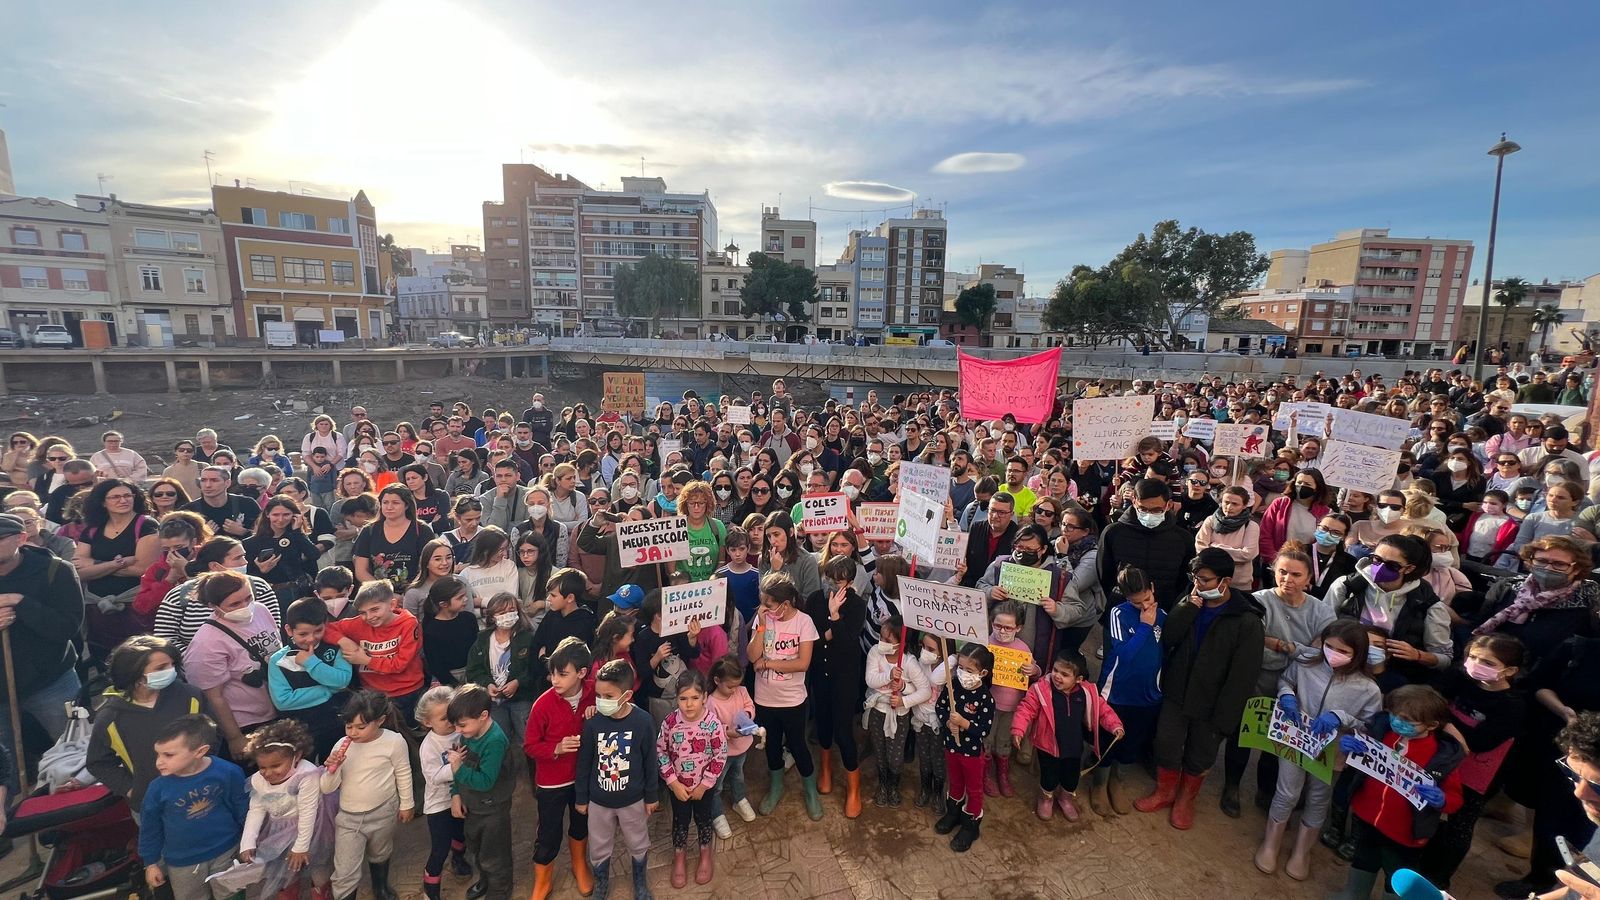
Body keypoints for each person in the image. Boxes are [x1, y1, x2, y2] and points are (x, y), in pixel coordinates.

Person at [1133, 548, 1265, 831]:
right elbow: (1168, 637)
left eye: (1205, 579)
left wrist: (1226, 718)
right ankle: (1165, 791)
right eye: (1195, 577)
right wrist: (1188, 608)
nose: (1198, 584)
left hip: (1213, 701)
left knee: (1201, 752)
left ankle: (1185, 799)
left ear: (1225, 581)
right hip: (1177, 690)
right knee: (1166, 742)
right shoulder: (1190, 600)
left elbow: (1243, 676)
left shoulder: (1247, 621)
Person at [1254, 620, 1380, 882]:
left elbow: (1370, 725)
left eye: (1343, 651)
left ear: (1358, 653)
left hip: (1331, 752)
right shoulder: (1305, 663)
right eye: (1329, 646)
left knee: (1318, 798)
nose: (1334, 654)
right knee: (1286, 792)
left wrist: (1342, 717)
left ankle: (1302, 851)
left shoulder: (1369, 688)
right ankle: (1271, 843)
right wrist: (1286, 695)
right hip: (1294, 739)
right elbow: (1285, 681)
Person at [1224, 546, 1335, 818]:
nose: (1288, 579)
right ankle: (1231, 787)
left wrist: (1277, 644)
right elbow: (1248, 644)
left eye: (1296, 574)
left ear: (1309, 578)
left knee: (1278, 741)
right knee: (1242, 735)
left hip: (1297, 688)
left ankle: (1265, 790)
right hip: (1254, 678)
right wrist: (1296, 648)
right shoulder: (1257, 600)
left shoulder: (1322, 613)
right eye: (1282, 572)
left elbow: (1320, 654)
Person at [1326, 685, 1463, 900]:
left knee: (1397, 875)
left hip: (1405, 833)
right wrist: (1350, 747)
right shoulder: (1381, 733)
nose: (1397, 721)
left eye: (1407, 719)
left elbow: (1455, 799)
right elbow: (1362, 764)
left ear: (1432, 725)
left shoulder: (1441, 758)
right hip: (1368, 817)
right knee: (1364, 859)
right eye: (1393, 714)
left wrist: (1442, 799)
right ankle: (1353, 894)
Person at [1417, 633, 1527, 890]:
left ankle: (1440, 878)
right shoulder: (1459, 678)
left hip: (1477, 777)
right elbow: (1428, 698)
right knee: (1431, 814)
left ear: (1509, 670)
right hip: (1441, 761)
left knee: (1459, 824)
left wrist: (1442, 720)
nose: (1476, 665)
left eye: (1488, 663)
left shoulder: (1513, 705)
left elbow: (1480, 742)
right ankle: (1422, 861)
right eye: (1473, 657)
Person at [0, 512, 84, 760]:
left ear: (21, 538)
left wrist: (22, 603)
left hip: (50, 681)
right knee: (6, 769)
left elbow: (67, 628)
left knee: (75, 753)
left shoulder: (56, 570)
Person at [86, 635, 208, 806]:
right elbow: (98, 763)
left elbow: (211, 734)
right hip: (154, 804)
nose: (171, 671)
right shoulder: (110, 718)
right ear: (135, 675)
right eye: (161, 668)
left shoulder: (190, 696)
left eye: (172, 664)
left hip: (203, 791)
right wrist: (133, 791)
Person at [138, 715, 249, 900]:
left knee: (233, 895)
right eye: (158, 754)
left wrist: (251, 842)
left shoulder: (228, 772)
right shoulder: (157, 789)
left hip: (227, 850)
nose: (159, 762)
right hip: (183, 863)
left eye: (168, 755)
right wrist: (150, 863)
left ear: (200, 751)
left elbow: (242, 809)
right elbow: (150, 828)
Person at [575, 658, 659, 900]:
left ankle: (640, 883)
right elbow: (584, 762)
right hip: (599, 801)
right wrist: (582, 797)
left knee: (638, 841)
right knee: (599, 846)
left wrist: (651, 796)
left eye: (608, 697)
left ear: (627, 695)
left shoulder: (643, 721)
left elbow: (650, 760)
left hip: (633, 799)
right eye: (598, 696)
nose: (601, 702)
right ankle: (601, 884)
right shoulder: (592, 722)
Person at [1011, 647, 1124, 823]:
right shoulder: (1040, 689)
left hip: (1074, 747)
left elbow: (1103, 710)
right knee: (1049, 776)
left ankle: (1065, 797)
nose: (1057, 676)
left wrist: (1115, 725)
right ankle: (1046, 798)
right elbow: (1026, 708)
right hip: (1047, 746)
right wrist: (1018, 729)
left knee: (1071, 776)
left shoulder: (1087, 693)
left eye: (1065, 674)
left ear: (1078, 679)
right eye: (1055, 670)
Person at [320, 691, 414, 900]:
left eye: (361, 727)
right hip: (349, 817)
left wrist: (407, 804)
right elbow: (327, 788)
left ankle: (380, 888)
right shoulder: (341, 746)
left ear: (380, 721)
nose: (353, 732)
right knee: (345, 870)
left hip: (384, 810)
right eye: (349, 726)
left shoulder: (394, 742)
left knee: (381, 851)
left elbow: (403, 772)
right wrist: (332, 768)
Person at [1326, 533, 1452, 688]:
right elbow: (1323, 630)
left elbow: (1444, 659)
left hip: (1390, 679)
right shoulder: (1346, 587)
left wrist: (1417, 655)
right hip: (1341, 667)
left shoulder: (1429, 606)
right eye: (1376, 560)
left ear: (1409, 569)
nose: (1379, 568)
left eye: (1392, 566)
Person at [523, 636, 597, 899]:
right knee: (548, 832)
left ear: (582, 673)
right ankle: (543, 881)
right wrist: (555, 748)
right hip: (551, 782)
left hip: (583, 779)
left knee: (581, 824)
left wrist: (598, 714)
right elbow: (530, 746)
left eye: (563, 674)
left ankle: (579, 864)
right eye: (553, 673)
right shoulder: (542, 704)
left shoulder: (596, 694)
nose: (555, 680)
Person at [182, 570, 281, 760]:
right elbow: (213, 697)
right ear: (214, 606)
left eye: (248, 598)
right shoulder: (206, 643)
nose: (245, 607)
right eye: (234, 604)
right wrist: (235, 737)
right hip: (246, 722)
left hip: (277, 707)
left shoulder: (260, 610)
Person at [748, 572, 821, 819]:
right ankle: (776, 786)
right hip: (765, 698)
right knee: (771, 746)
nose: (763, 608)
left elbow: (802, 663)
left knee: (798, 745)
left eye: (768, 605)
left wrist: (768, 664)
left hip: (792, 700)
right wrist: (760, 625)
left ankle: (810, 791)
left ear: (785, 604)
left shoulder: (804, 622)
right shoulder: (763, 620)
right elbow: (751, 656)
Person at [237, 719, 334, 900]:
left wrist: (300, 847)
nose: (268, 773)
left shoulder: (306, 775)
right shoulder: (258, 780)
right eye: (262, 767)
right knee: (283, 867)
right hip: (280, 828)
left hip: (313, 828)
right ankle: (288, 891)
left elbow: (308, 812)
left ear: (296, 756)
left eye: (275, 766)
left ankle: (321, 890)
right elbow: (256, 809)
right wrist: (248, 842)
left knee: (318, 865)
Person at [1098, 566, 1164, 815]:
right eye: (1137, 603)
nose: (1145, 606)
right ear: (1127, 599)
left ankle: (1118, 782)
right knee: (1107, 740)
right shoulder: (1118, 614)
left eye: (1147, 599)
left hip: (1147, 696)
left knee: (1132, 742)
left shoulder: (1164, 616)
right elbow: (1123, 655)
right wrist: (1145, 626)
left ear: (1153, 588)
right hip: (1116, 693)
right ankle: (1099, 784)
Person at [656, 669, 727, 888]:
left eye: (695, 698)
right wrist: (673, 783)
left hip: (702, 789)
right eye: (683, 698)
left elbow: (720, 755)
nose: (689, 704)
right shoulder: (669, 723)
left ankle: (705, 853)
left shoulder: (713, 724)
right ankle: (680, 854)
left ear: (705, 697)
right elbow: (661, 752)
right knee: (680, 821)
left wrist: (704, 785)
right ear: (676, 699)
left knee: (704, 819)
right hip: (678, 788)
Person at [446, 685, 516, 900]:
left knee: (494, 854)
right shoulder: (470, 733)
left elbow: (485, 781)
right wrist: (456, 793)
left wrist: (458, 769)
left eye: (462, 725)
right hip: (473, 805)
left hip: (493, 808)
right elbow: (463, 760)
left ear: (483, 716)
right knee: (477, 848)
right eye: (456, 725)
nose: (458, 730)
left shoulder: (495, 741)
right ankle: (486, 880)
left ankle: (500, 890)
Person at [324, 581, 425, 722]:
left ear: (392, 605)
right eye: (363, 613)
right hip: (372, 693)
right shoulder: (358, 623)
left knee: (407, 734)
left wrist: (365, 660)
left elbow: (400, 664)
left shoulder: (408, 624)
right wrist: (344, 641)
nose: (369, 617)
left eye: (375, 609)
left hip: (406, 691)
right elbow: (325, 629)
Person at [267, 597, 353, 760]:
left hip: (336, 723)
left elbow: (343, 680)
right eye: (303, 634)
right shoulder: (278, 660)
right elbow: (283, 701)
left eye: (318, 631)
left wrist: (311, 663)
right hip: (299, 730)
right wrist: (327, 689)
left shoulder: (335, 650)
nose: (311, 638)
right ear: (289, 630)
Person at [1096, 478, 1196, 611]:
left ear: (1169, 505)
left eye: (1156, 510)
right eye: (1143, 509)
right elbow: (1104, 574)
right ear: (1134, 501)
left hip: (1165, 611)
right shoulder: (1113, 533)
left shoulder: (1183, 538)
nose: (1149, 515)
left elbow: (1184, 579)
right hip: (1122, 609)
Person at [933, 643, 995, 853]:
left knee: (974, 789)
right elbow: (940, 706)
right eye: (960, 668)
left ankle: (971, 824)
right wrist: (948, 722)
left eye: (969, 671)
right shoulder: (953, 686)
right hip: (951, 746)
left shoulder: (985, 698)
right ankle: (953, 813)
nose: (962, 674)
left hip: (972, 753)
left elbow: (984, 729)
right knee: (956, 781)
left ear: (983, 673)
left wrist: (964, 723)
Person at [415, 686, 473, 900]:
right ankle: (431, 890)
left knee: (461, 833)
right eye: (443, 718)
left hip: (462, 796)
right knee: (439, 848)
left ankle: (458, 859)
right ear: (427, 722)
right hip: (439, 804)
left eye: (452, 715)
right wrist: (457, 766)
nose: (450, 721)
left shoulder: (461, 731)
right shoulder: (429, 746)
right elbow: (433, 776)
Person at [707, 656, 760, 824]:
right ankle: (716, 813)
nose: (734, 690)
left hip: (741, 747)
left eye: (737, 685)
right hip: (722, 753)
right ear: (717, 680)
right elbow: (709, 728)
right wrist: (727, 732)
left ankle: (739, 799)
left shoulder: (741, 691)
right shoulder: (711, 702)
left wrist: (747, 715)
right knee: (717, 784)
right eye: (730, 686)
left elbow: (749, 705)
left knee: (738, 776)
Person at [352, 485, 437, 590]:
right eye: (385, 502)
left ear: (406, 505)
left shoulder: (422, 530)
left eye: (395, 503)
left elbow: (431, 566)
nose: (389, 507)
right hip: (380, 593)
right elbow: (361, 571)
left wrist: (411, 592)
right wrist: (386, 592)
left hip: (415, 591)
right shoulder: (369, 530)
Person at [244, 496, 322, 607]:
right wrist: (262, 571)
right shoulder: (251, 543)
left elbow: (314, 554)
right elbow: (247, 575)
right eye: (276, 515)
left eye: (286, 515)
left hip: (300, 592)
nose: (280, 519)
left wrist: (298, 532)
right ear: (267, 514)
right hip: (271, 594)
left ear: (294, 515)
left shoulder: (297, 537)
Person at [1194, 486, 1260, 591]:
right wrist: (1232, 553)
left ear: (1244, 506)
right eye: (1226, 502)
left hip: (1239, 584)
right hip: (1211, 583)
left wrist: (1214, 547)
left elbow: (1247, 555)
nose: (1229, 507)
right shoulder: (1210, 521)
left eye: (1235, 504)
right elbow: (1201, 549)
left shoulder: (1251, 526)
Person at [420, 577, 477, 686]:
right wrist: (454, 684)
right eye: (460, 598)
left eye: (465, 595)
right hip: (448, 678)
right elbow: (435, 664)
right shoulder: (431, 629)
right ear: (443, 604)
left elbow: (476, 648)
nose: (466, 599)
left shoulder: (469, 618)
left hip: (472, 671)